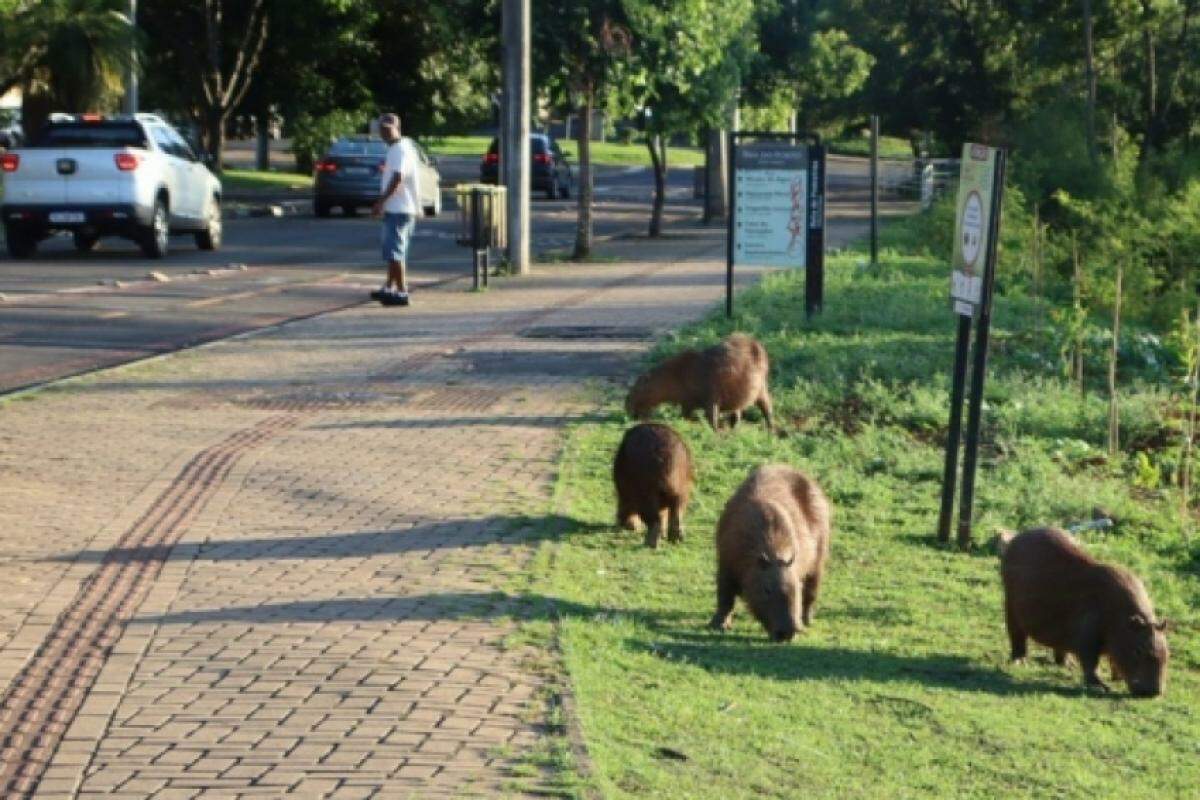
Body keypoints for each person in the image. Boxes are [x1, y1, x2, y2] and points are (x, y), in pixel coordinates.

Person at [370, 113, 420, 307]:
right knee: (393, 251)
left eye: (387, 128)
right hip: (397, 207)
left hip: (400, 208)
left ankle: (401, 291)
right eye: (382, 128)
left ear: (397, 127)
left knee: (395, 252)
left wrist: (381, 201)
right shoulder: (397, 148)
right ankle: (389, 287)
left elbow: (398, 178)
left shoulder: (400, 149)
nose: (384, 132)